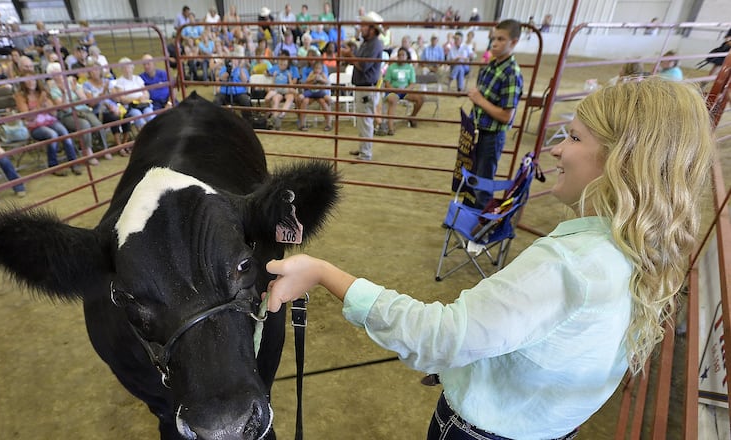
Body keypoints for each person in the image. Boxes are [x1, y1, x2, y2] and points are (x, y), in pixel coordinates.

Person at [264, 78, 715, 440]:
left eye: (573, 137)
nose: (556, 150)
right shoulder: (641, 247)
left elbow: (441, 337)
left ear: (621, 160)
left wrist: (323, 271)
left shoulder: (567, 264)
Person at [463, 19, 523, 209]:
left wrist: (480, 100)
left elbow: (507, 116)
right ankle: (467, 217)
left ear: (513, 42)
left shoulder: (511, 74)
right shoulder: (490, 66)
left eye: (501, 39)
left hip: (491, 136)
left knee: (483, 181)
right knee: (470, 175)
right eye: (493, 38)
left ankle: (480, 228)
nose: (494, 43)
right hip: (476, 131)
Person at [14, 76, 81, 176]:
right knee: (52, 135)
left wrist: (49, 105)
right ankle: (53, 165)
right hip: (35, 126)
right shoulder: (21, 96)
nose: (31, 82)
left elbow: (54, 114)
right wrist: (40, 105)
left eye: (32, 79)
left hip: (50, 121)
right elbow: (28, 117)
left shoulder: (43, 93)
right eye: (27, 80)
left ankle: (73, 162)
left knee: (64, 132)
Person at [44, 62, 106, 165]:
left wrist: (75, 91)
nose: (58, 76)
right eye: (55, 74)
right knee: (85, 125)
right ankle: (88, 152)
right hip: (68, 114)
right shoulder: (53, 90)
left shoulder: (72, 82)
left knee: (97, 124)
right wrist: (64, 94)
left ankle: (104, 148)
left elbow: (84, 100)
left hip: (82, 110)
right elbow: (63, 108)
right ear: (52, 76)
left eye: (59, 72)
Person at [345, 11, 385, 161]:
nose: (361, 28)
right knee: (363, 120)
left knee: (366, 120)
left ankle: (366, 153)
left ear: (372, 29)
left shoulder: (374, 44)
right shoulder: (368, 43)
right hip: (363, 86)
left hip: (367, 87)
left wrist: (350, 56)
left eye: (364, 25)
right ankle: (363, 149)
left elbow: (364, 65)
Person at [378, 47, 423, 135]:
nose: (401, 57)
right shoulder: (391, 67)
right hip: (393, 90)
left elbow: (412, 83)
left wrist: (407, 90)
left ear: (407, 57)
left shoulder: (410, 68)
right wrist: (393, 89)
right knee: (393, 100)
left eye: (403, 55)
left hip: (405, 90)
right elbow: (387, 82)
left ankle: (412, 116)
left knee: (420, 98)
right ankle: (391, 127)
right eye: (399, 55)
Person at [112, 57, 154, 130]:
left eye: (128, 67)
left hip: (143, 103)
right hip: (131, 106)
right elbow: (122, 99)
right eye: (124, 68)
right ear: (121, 70)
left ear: (132, 67)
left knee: (149, 113)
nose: (127, 69)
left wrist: (144, 97)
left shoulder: (138, 78)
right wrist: (137, 98)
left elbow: (146, 92)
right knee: (137, 114)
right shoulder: (120, 82)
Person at [264, 54, 299, 130]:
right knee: (272, 99)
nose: (282, 66)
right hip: (277, 89)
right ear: (278, 64)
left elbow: (291, 85)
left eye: (284, 64)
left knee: (293, 94)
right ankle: (274, 117)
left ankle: (282, 115)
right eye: (281, 64)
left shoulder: (288, 72)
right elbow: (268, 75)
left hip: (285, 89)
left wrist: (289, 78)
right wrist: (273, 76)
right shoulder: (276, 71)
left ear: (287, 65)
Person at [296, 57, 331, 131]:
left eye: (319, 68)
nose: (317, 70)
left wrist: (320, 79)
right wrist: (313, 78)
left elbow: (327, 82)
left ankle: (328, 124)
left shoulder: (322, 74)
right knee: (304, 100)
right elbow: (306, 81)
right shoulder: (311, 73)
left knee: (324, 102)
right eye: (316, 68)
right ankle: (302, 124)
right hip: (311, 92)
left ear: (321, 69)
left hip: (320, 92)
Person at [213, 56, 252, 121]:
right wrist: (228, 71)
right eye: (231, 60)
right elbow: (222, 79)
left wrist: (240, 69)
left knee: (246, 101)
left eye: (235, 60)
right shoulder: (224, 69)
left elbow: (245, 81)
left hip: (239, 93)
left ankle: (247, 121)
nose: (233, 62)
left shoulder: (242, 69)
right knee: (216, 101)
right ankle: (216, 120)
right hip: (225, 92)